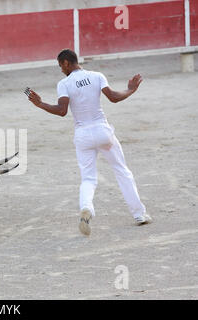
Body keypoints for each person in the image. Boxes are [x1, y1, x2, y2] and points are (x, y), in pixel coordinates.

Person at [27, 49, 152, 236]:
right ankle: (139, 214)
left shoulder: (64, 83)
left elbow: (62, 111)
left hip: (83, 135)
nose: (61, 69)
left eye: (61, 65)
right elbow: (114, 98)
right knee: (122, 171)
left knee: (88, 178)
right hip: (103, 131)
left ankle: (87, 208)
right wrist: (131, 89)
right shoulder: (96, 76)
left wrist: (40, 104)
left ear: (67, 63)